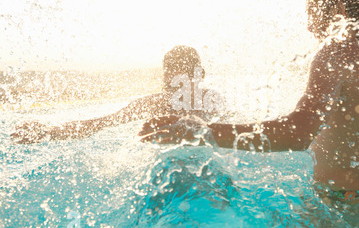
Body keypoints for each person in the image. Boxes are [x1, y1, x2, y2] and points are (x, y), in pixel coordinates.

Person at [139, 0, 359, 199]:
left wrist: (204, 131)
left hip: (339, 205)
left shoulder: (334, 54)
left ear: (338, 9)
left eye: (313, 12)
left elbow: (299, 133)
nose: (309, 24)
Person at [11, 45, 221, 144]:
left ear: (199, 75)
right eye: (170, 69)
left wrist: (48, 131)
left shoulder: (211, 101)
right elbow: (99, 123)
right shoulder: (157, 103)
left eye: (179, 69)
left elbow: (99, 124)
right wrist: (49, 130)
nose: (172, 76)